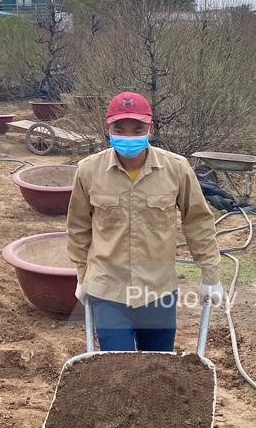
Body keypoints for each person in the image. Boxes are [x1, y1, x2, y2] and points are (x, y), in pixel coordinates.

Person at [67, 91, 224, 352]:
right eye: (120, 128)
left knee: (158, 368)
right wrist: (82, 276)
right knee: (118, 367)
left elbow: (198, 222)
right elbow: (78, 227)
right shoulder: (88, 171)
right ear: (109, 129)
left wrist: (211, 276)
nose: (128, 136)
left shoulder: (176, 168)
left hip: (158, 292)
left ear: (149, 128)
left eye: (137, 128)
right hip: (108, 291)